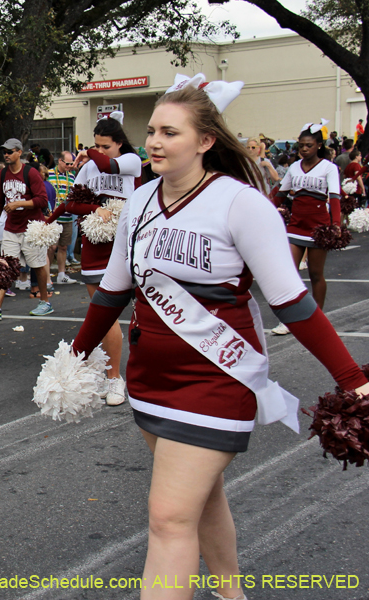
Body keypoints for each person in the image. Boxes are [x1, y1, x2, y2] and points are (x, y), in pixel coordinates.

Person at [69, 73, 369, 600]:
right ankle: (232, 594)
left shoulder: (241, 203)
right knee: (201, 502)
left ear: (206, 141)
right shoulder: (138, 202)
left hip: (216, 376)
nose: (156, 142)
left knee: (167, 519)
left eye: (171, 132)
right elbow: (113, 292)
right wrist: (74, 356)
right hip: (149, 378)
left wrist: (353, 380)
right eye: (153, 132)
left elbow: (293, 304)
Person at [47, 113, 142, 405]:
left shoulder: (131, 161)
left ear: (120, 143)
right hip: (94, 243)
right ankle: (114, 377)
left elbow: (106, 165)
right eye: (96, 146)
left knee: (143, 315)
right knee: (104, 315)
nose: (99, 152)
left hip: (125, 243)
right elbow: (71, 202)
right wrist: (94, 209)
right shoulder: (89, 167)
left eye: (105, 146)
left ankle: (137, 371)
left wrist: (89, 152)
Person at [270, 122, 341, 336]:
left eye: (308, 145)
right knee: (289, 274)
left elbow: (335, 197)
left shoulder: (329, 168)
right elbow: (281, 195)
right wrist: (264, 208)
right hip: (296, 224)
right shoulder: (293, 167)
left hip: (318, 225)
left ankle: (317, 318)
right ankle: (291, 320)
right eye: (301, 145)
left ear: (318, 145)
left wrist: (335, 225)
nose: (303, 149)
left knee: (316, 274)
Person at [0, 138, 53, 319]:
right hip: (11, 228)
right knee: (6, 266)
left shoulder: (31, 173)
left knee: (38, 265)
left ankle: (45, 302)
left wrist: (19, 203)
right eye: (4, 152)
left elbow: (42, 200)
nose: (6, 155)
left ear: (19, 152)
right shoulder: (2, 174)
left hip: (31, 228)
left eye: (10, 151)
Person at [49, 150, 80, 284]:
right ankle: (47, 274)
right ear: (60, 161)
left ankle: (62, 275)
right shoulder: (49, 174)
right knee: (52, 246)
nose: (69, 166)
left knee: (63, 246)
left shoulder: (72, 176)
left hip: (67, 216)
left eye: (71, 164)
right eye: (67, 163)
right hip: (53, 216)